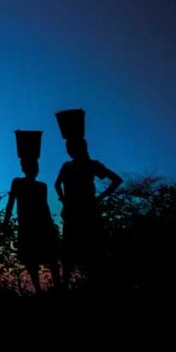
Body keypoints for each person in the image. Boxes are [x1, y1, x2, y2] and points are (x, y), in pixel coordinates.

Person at [54, 110, 122, 286]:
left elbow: (117, 180)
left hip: (86, 213)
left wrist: (99, 199)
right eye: (68, 147)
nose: (69, 150)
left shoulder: (91, 165)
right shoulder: (69, 166)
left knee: (89, 254)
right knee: (70, 255)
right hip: (72, 213)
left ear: (80, 147)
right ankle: (66, 286)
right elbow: (57, 185)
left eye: (71, 147)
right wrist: (63, 199)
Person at [5, 131, 61, 293]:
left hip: (42, 226)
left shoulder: (42, 186)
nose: (34, 169)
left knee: (51, 259)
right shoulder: (17, 182)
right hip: (27, 227)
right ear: (24, 167)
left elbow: (45, 208)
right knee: (31, 261)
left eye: (36, 166)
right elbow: (10, 204)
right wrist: (6, 224)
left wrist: (51, 227)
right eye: (31, 166)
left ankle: (58, 288)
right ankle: (38, 289)